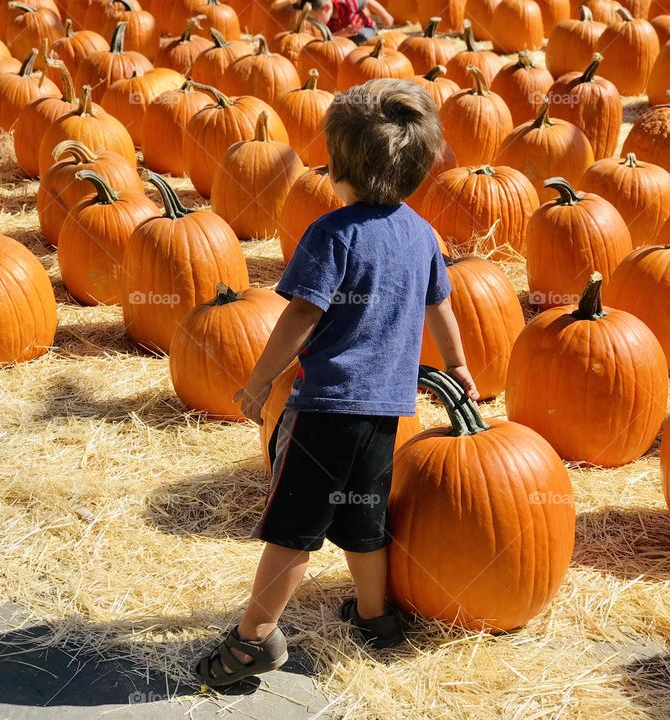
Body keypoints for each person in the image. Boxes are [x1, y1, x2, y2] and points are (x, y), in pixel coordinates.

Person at [194, 79, 478, 687]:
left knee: (293, 531)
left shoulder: (331, 234)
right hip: (386, 412)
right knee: (363, 518)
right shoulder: (422, 235)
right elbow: (442, 309)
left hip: (325, 409)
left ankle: (253, 640)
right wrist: (457, 366)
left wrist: (257, 382)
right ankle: (375, 617)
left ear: (338, 165)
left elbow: (301, 314)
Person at [302, 0, 393, 43]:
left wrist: (384, 15)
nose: (315, 22)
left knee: (362, 35)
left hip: (363, 28)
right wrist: (342, 33)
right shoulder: (325, 22)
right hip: (343, 36)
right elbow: (328, 38)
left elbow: (368, 2)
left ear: (326, 8)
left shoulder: (347, 3)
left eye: (316, 19)